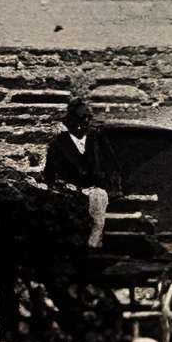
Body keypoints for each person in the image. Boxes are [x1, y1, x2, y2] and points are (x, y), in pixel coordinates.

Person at [42, 95, 111, 248]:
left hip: (95, 190)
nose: (85, 123)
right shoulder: (58, 144)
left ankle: (93, 244)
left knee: (99, 199)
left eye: (88, 118)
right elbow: (49, 174)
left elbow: (110, 165)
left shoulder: (96, 140)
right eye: (81, 119)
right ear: (72, 121)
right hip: (70, 192)